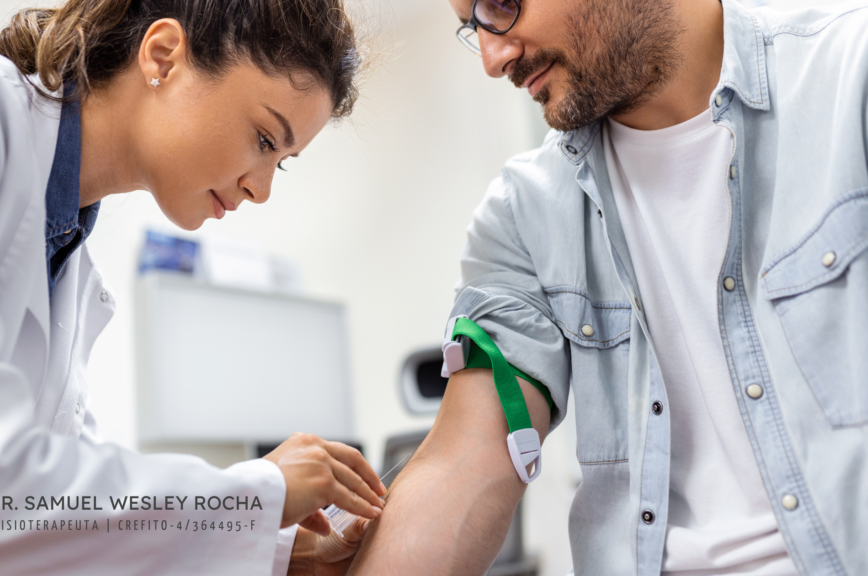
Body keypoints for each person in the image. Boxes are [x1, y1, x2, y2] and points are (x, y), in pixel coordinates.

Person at [0, 0, 386, 574]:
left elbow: (38, 523)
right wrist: (256, 495)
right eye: (263, 139)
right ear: (163, 57)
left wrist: (272, 550)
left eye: (283, 162)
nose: (262, 190)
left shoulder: (67, 270)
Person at [349, 0, 868, 574]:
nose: (493, 59)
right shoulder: (523, 216)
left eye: (498, 5)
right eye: (474, 29)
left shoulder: (850, 75)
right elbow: (462, 466)